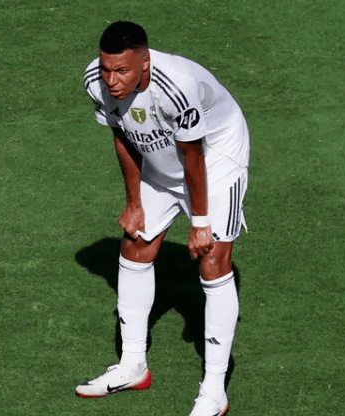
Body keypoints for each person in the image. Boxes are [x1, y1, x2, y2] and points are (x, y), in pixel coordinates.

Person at [75, 21, 250, 416]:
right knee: (135, 244)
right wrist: (134, 202)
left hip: (215, 157)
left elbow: (194, 156)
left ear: (145, 61)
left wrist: (200, 223)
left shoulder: (178, 85)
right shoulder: (96, 82)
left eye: (122, 71)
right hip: (160, 147)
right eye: (106, 69)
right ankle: (133, 366)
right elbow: (123, 136)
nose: (112, 80)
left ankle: (214, 391)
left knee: (212, 260)